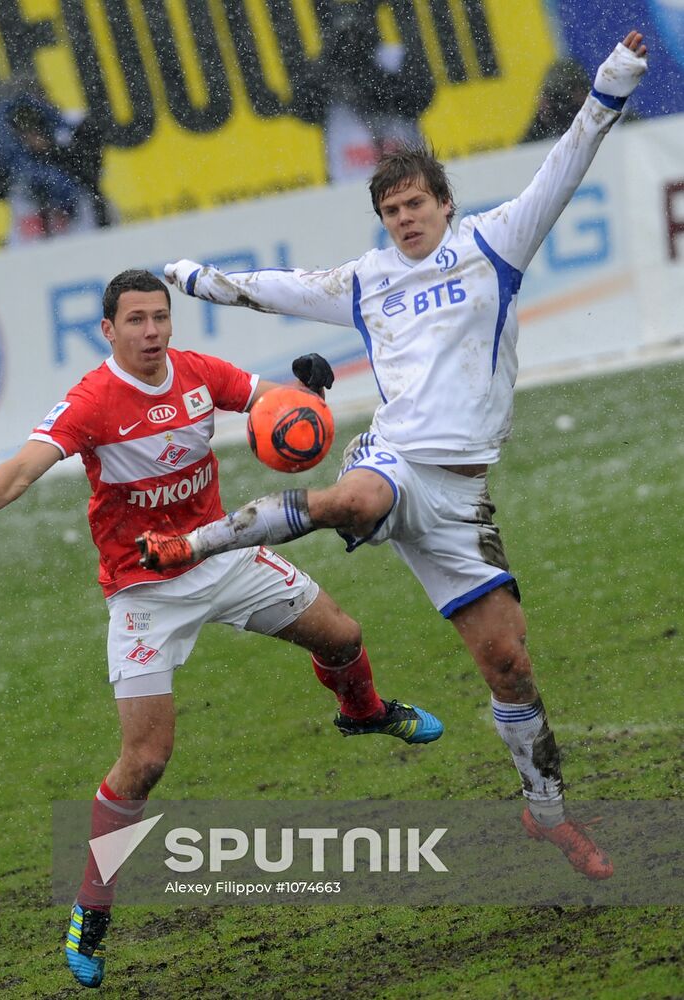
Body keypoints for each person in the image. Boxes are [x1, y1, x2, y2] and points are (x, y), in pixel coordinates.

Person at [140, 33, 649, 882]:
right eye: (390, 210)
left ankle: (546, 811)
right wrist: (195, 279)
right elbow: (277, 288)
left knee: (508, 665)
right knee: (354, 499)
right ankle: (192, 545)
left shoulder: (495, 245)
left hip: (458, 498)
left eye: (414, 204)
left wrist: (610, 84)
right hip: (394, 458)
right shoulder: (369, 281)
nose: (404, 219)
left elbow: (566, 162)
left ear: (444, 205)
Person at [0, 270, 442, 989]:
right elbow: (26, 465)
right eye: (136, 320)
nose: (152, 331)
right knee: (146, 761)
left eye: (160, 317)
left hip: (222, 557)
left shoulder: (198, 375)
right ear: (109, 331)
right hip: (144, 594)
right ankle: (91, 909)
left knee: (342, 636)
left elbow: (268, 406)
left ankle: (364, 713)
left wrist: (307, 395)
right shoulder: (93, 402)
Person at [295, 6, 431, 183]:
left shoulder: (396, 57)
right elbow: (303, 109)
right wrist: (332, 60)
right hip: (351, 182)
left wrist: (362, 69)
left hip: (409, 178)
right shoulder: (325, 69)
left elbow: (419, 99)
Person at [0, 75, 113, 245]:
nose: (29, 127)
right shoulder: (9, 150)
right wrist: (17, 154)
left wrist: (52, 149)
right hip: (31, 241)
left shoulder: (74, 127)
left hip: (87, 231)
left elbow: (89, 170)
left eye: (34, 116)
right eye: (20, 120)